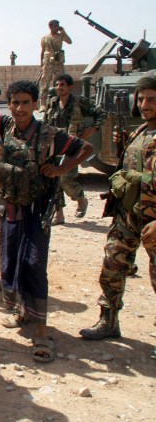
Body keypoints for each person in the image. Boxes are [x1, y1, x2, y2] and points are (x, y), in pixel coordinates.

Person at [0, 75, 92, 362]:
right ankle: (20, 312)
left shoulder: (50, 134)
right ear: (8, 105)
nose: (20, 108)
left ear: (35, 104)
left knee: (35, 265)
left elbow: (87, 149)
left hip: (37, 212)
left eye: (26, 103)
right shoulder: (4, 125)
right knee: (10, 264)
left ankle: (41, 330)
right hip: (10, 210)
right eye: (15, 103)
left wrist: (63, 170)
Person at [80, 71, 156, 340]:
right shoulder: (141, 131)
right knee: (112, 267)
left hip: (153, 221)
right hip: (129, 215)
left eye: (152, 100)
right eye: (142, 99)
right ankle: (108, 321)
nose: (145, 105)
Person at [43, 74, 105, 224]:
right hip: (55, 146)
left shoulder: (79, 102)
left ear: (70, 87)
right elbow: (45, 122)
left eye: (62, 85)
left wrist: (93, 129)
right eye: (57, 85)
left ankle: (80, 199)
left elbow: (101, 113)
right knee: (53, 177)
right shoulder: (52, 103)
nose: (59, 88)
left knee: (65, 178)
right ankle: (59, 213)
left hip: (73, 147)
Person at [39, 20, 72, 110]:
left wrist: (63, 31)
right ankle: (43, 104)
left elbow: (69, 42)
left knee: (60, 82)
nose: (57, 28)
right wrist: (41, 65)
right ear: (50, 26)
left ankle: (60, 102)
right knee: (45, 83)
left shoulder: (61, 35)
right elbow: (42, 51)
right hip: (48, 62)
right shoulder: (45, 38)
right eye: (55, 26)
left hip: (58, 62)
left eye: (58, 26)